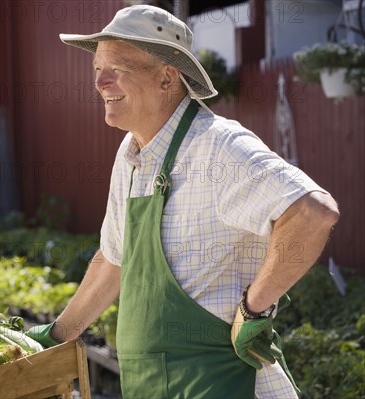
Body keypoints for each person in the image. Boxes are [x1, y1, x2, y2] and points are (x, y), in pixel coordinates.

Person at [27, 5, 339, 398]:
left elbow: (313, 213)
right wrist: (57, 334)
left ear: (167, 78)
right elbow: (114, 259)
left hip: (224, 384)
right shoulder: (132, 154)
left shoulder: (217, 145)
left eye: (117, 69)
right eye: (96, 69)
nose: (101, 82)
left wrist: (255, 308)